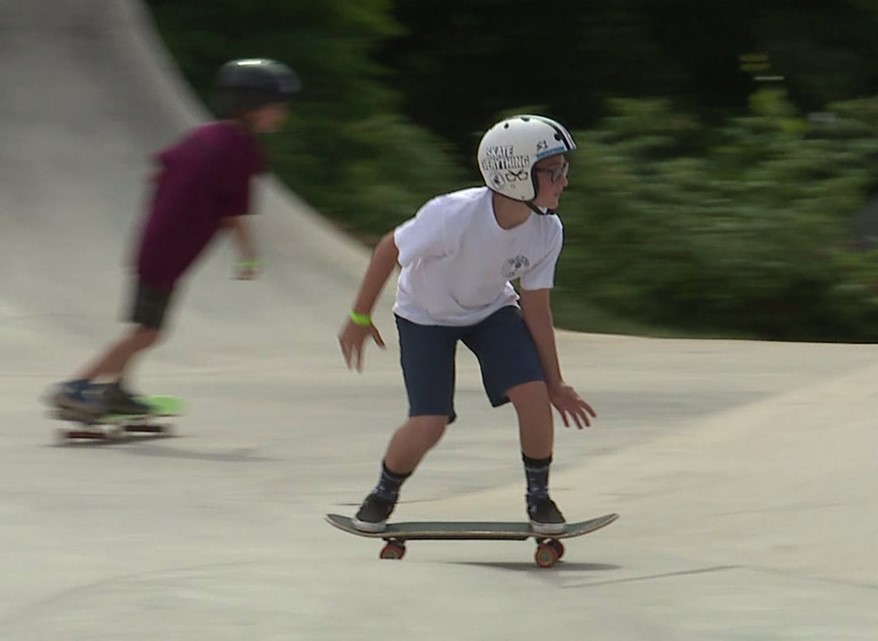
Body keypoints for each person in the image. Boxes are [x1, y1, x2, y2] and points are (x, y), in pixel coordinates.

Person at [337, 114, 597, 534]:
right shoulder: (452, 215)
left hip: (490, 312)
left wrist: (556, 381)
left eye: (564, 169)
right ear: (516, 175)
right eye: (555, 171)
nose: (565, 180)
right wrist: (358, 317)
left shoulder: (547, 231)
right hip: (425, 315)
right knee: (430, 422)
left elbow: (537, 309)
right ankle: (383, 494)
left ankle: (539, 499)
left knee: (534, 396)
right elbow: (389, 248)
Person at [46, 58, 300, 415]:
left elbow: (158, 171)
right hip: (170, 251)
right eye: (278, 107)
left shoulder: (203, 135)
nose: (282, 115)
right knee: (149, 332)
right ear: (252, 106)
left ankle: (116, 390)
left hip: (155, 241)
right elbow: (234, 213)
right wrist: (248, 256)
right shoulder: (242, 150)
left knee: (142, 326)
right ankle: (77, 387)